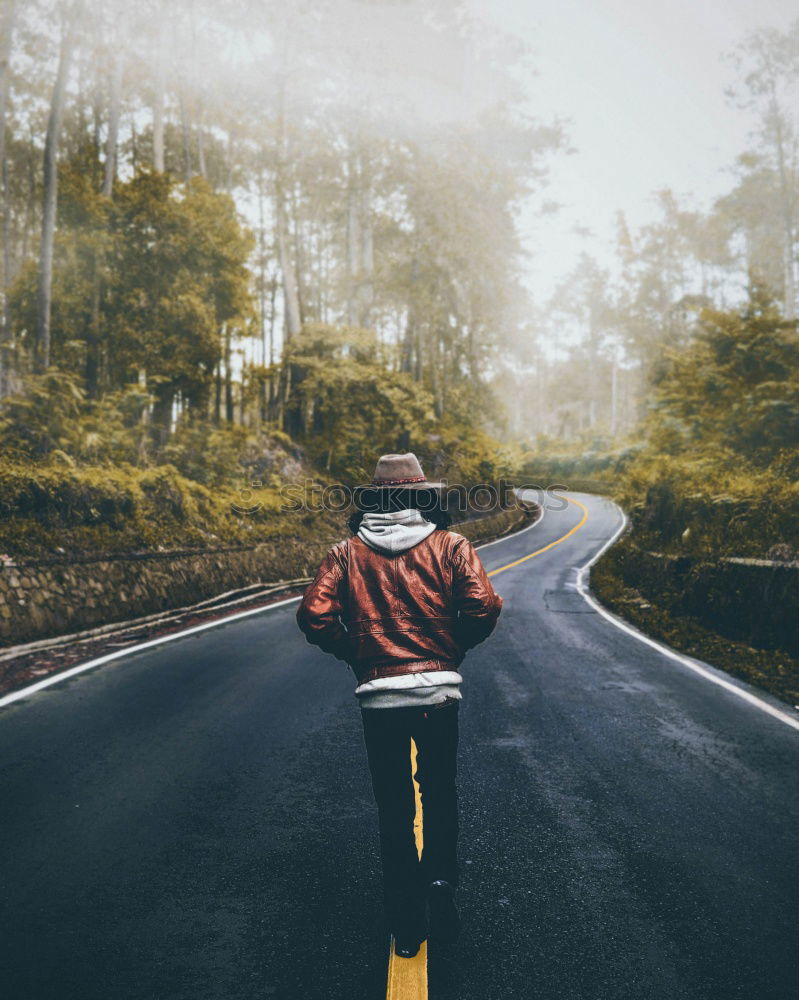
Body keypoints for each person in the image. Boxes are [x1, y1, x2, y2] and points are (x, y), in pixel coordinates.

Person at [296, 453, 503, 958]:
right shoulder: (451, 545)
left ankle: (406, 916)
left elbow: (313, 616)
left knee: (393, 807)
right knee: (439, 793)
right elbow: (484, 605)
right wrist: (449, 650)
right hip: (437, 693)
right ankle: (440, 887)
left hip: (379, 700)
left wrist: (357, 655)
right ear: (422, 496)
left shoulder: (346, 552)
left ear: (375, 499)